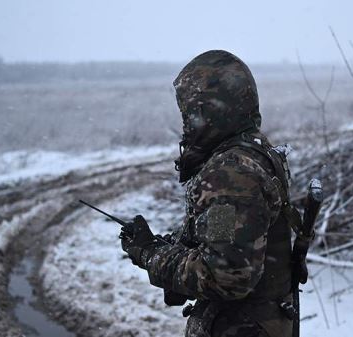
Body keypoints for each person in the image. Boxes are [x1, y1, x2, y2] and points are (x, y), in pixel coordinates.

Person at [119, 50, 297, 337]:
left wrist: (151, 255)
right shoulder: (252, 154)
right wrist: (175, 250)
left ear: (212, 110)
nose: (187, 123)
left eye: (191, 112)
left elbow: (224, 275)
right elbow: (228, 243)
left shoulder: (231, 174)